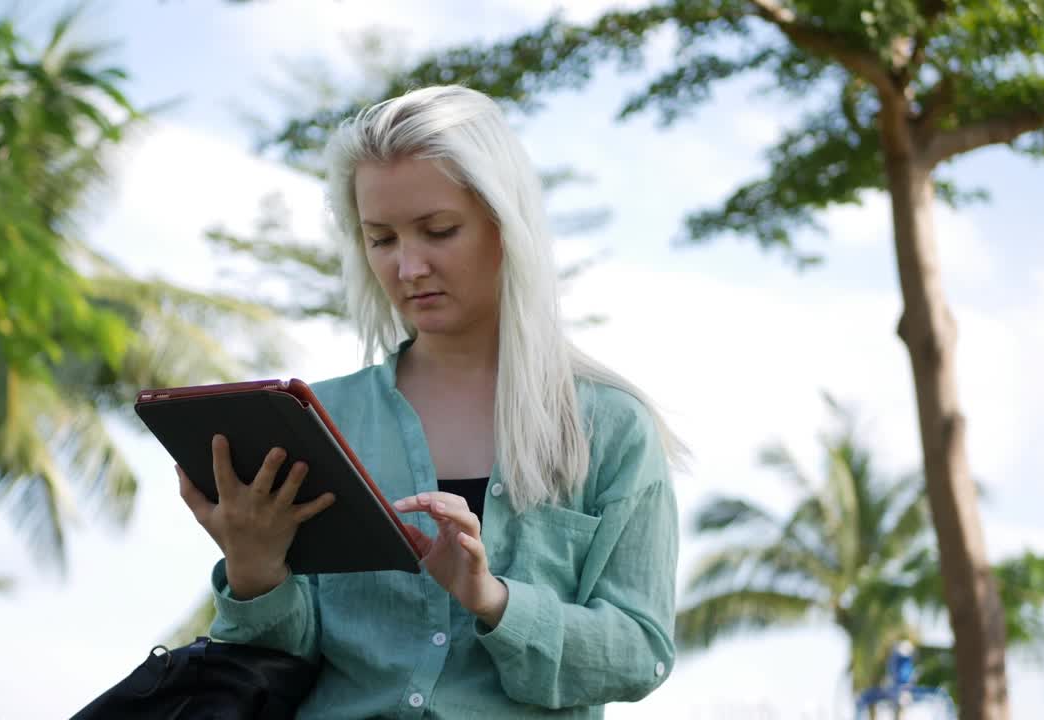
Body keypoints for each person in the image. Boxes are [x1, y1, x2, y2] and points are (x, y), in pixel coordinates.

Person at [177, 85, 684, 719]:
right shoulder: (320, 421)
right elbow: (278, 663)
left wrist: (493, 599)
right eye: (381, 239)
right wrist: (254, 570)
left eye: (438, 231)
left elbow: (640, 650)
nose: (409, 267)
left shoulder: (609, 426)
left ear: (505, 225)